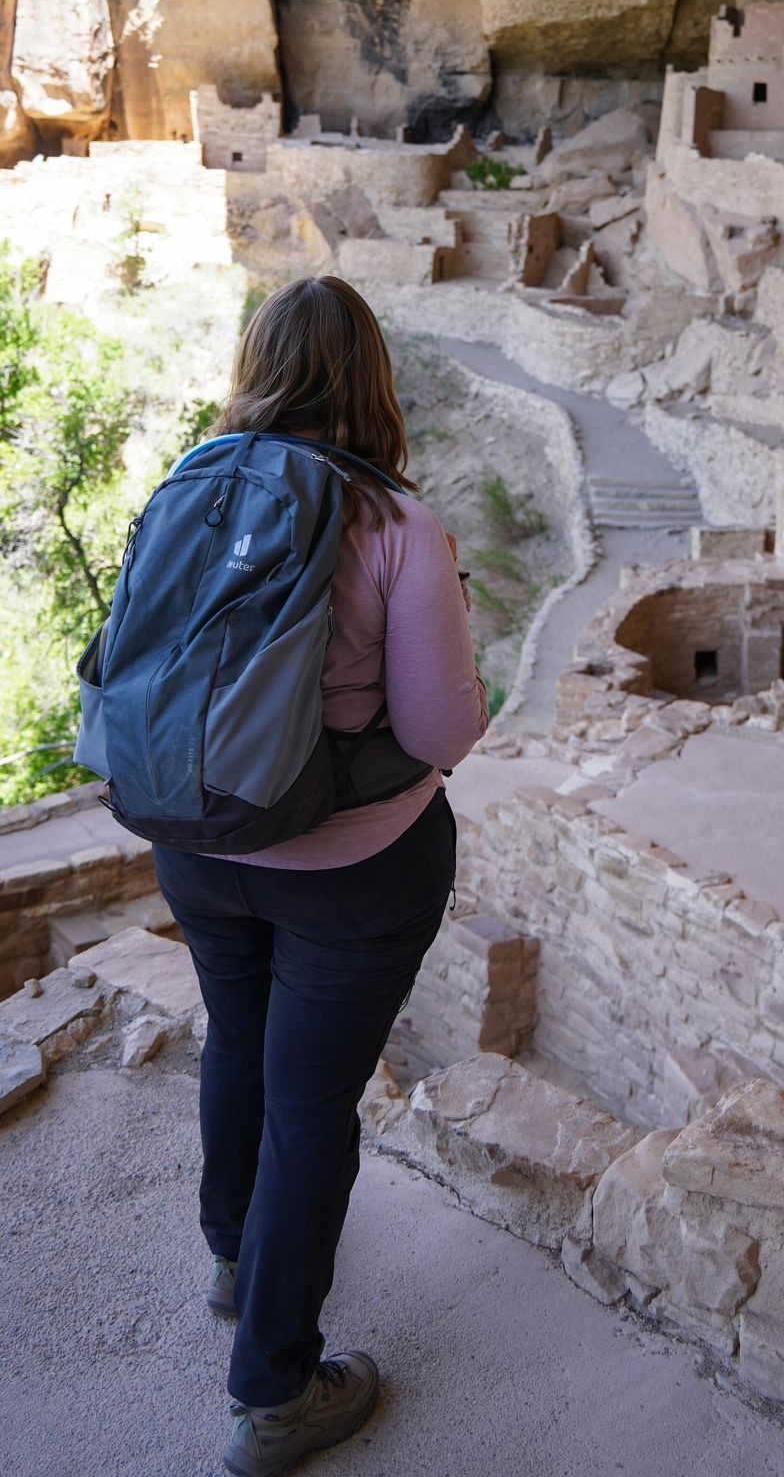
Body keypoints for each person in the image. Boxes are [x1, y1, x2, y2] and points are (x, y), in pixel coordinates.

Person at [153, 276, 488, 1477]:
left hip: (195, 842)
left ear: (259, 363)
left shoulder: (191, 483)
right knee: (309, 1108)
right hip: (347, 873)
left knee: (237, 1044)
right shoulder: (395, 524)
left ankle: (233, 1257)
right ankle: (277, 1390)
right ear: (373, 380)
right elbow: (443, 729)